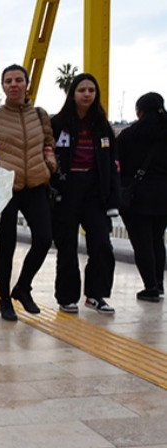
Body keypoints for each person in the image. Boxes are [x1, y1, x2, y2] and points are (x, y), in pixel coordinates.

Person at [0, 63, 57, 321]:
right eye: (8, 81)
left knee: (44, 238)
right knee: (7, 245)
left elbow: (49, 145)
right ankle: (5, 298)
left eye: (19, 80)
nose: (14, 85)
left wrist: (49, 165)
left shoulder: (40, 116)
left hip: (36, 186)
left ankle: (23, 287)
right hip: (7, 188)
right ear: (3, 86)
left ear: (26, 84)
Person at [49, 73, 121, 315]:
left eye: (91, 90)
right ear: (73, 94)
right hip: (66, 191)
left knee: (101, 244)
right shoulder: (57, 124)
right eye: (82, 90)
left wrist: (113, 196)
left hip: (94, 192)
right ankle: (67, 296)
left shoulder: (102, 126)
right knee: (67, 246)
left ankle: (96, 294)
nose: (87, 94)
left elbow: (112, 163)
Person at [117, 92, 167, 302]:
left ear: (139, 112)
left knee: (142, 243)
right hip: (164, 196)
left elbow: (117, 165)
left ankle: (150, 287)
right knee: (157, 240)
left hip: (137, 197)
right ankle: (159, 283)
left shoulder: (129, 135)